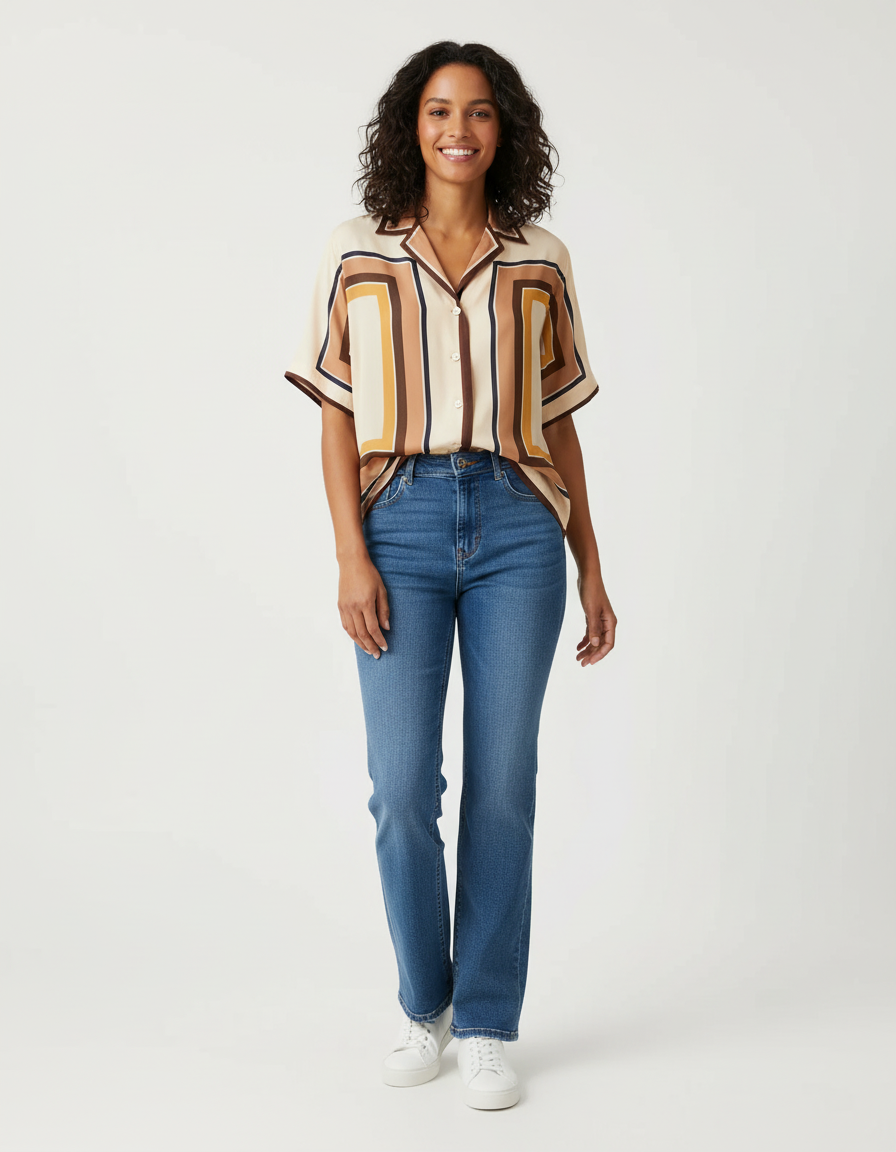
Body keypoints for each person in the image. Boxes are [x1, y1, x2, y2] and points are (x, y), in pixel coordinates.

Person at [284, 40, 616, 1110]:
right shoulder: (357, 251)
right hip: (401, 524)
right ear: (410, 127)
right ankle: (420, 1005)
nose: (457, 130)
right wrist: (350, 554)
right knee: (399, 790)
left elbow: (558, 428)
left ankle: (484, 1019)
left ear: (502, 128)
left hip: (520, 527)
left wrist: (593, 567)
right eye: (436, 111)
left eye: (476, 112)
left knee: (503, 782)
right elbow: (336, 415)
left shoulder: (540, 259)